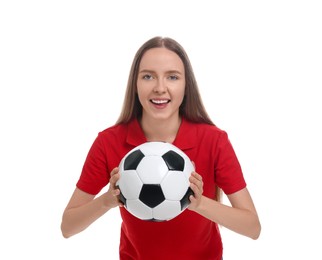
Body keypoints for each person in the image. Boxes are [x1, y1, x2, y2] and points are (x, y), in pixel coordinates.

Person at [60, 36, 261, 260]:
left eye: (172, 77)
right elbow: (68, 226)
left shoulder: (213, 140)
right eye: (148, 76)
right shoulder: (109, 142)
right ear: (135, 84)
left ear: (186, 85)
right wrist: (107, 201)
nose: (160, 88)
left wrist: (200, 203)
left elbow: (252, 227)